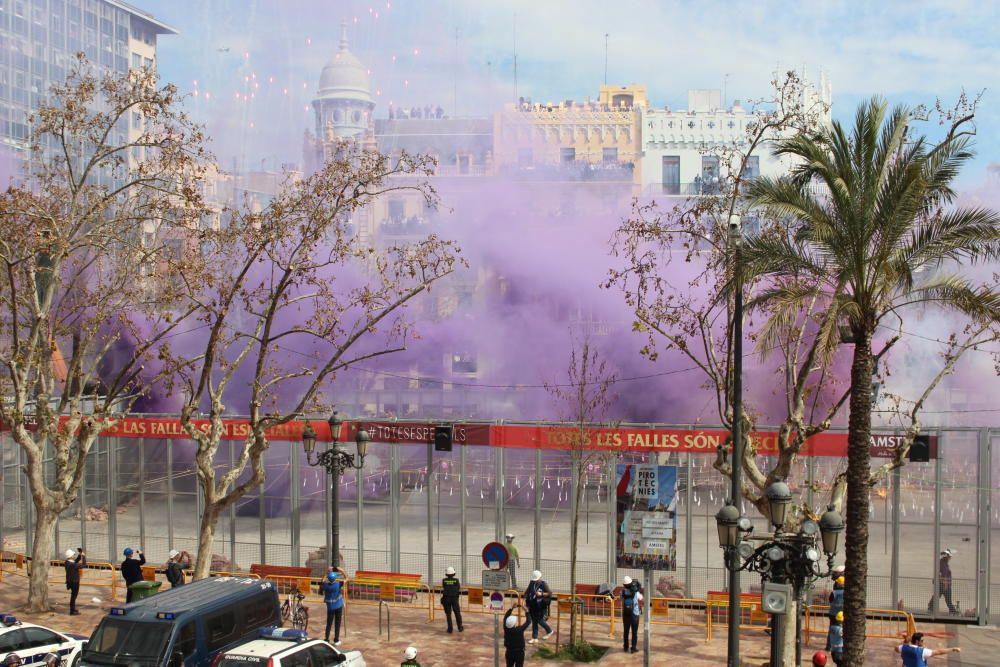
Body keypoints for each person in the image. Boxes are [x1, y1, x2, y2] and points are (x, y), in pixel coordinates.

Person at [895, 632, 961, 666]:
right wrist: (953, 649)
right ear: (917, 641)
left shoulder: (903, 647)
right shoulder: (922, 652)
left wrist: (905, 641)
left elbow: (896, 649)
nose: (923, 642)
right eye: (922, 640)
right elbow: (939, 652)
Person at [525, 570, 553, 644]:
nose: (536, 581)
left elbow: (550, 593)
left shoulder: (544, 584)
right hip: (533, 605)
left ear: (540, 577)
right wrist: (527, 603)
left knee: (540, 620)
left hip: (541, 606)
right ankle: (534, 637)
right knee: (534, 621)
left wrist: (542, 594)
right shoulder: (531, 583)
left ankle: (549, 631)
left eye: (537, 579)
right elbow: (527, 592)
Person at [319, 567, 346, 645]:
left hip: (330, 607)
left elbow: (322, 581)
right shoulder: (338, 585)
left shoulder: (325, 585)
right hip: (338, 606)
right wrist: (342, 571)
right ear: (335, 578)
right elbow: (347, 579)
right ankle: (336, 640)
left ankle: (326, 639)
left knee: (329, 623)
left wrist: (327, 572)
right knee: (337, 624)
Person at [928, 549, 958, 614]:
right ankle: (953, 611)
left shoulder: (943, 562)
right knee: (947, 599)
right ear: (947, 557)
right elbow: (943, 575)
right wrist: (946, 585)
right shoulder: (943, 564)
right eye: (950, 556)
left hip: (943, 584)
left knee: (937, 596)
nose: (950, 558)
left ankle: (930, 607)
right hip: (944, 585)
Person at [441, 566, 464, 633]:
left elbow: (444, 587)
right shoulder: (456, 580)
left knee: (448, 614)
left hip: (447, 599)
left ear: (447, 574)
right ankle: (460, 627)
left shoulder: (444, 580)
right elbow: (458, 588)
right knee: (457, 613)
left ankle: (450, 629)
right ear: (454, 573)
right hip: (454, 599)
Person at [620, 576, 640, 653]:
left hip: (626, 614)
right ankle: (633, 648)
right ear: (631, 583)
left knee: (626, 631)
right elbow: (640, 598)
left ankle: (625, 647)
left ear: (624, 585)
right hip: (635, 614)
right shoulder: (635, 592)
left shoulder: (622, 592)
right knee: (634, 632)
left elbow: (621, 599)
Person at [64, 547, 85, 615]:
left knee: (73, 596)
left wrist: (80, 554)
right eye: (73, 555)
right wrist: (84, 557)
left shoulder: (67, 563)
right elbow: (84, 565)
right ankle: (72, 611)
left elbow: (76, 561)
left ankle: (73, 609)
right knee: (74, 596)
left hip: (70, 581)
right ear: (70, 556)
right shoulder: (73, 565)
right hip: (74, 582)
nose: (74, 556)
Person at [826, 576, 844, 650]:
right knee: (842, 631)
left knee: (832, 630)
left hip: (833, 614)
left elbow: (830, 600)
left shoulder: (834, 592)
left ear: (839, 584)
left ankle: (829, 646)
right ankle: (841, 646)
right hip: (842, 614)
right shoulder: (848, 592)